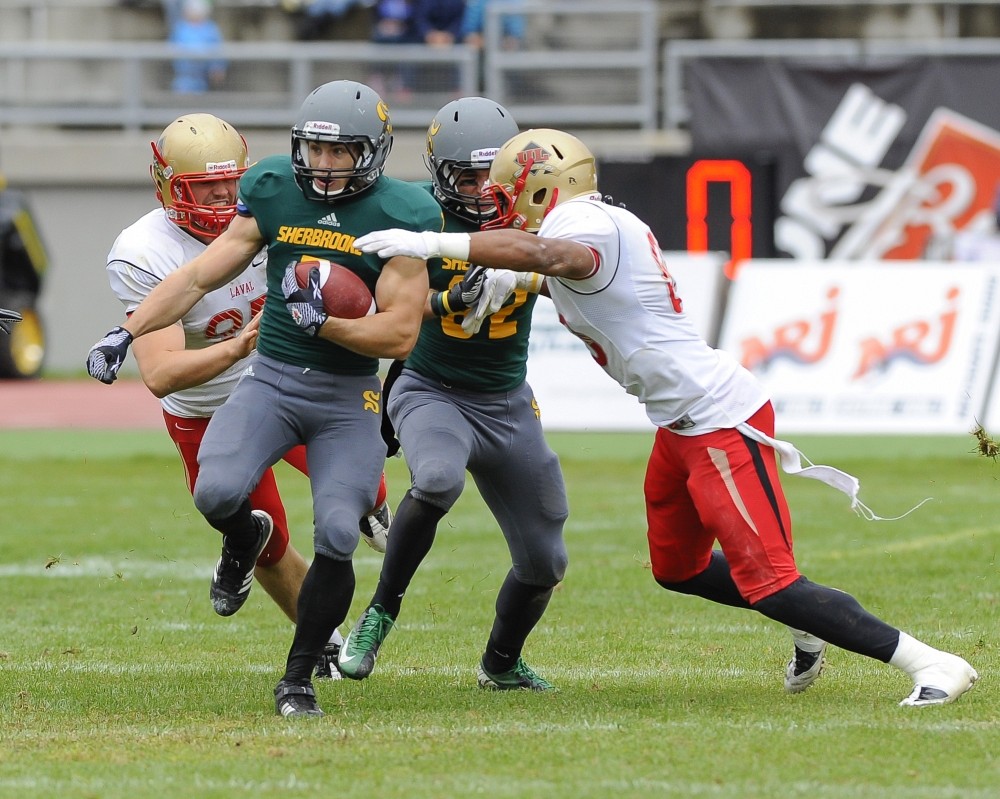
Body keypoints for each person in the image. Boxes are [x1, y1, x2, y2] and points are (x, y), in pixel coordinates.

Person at [355, 128, 980, 707]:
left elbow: (548, 254)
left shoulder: (583, 223)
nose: (498, 206)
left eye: (507, 192)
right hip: (679, 426)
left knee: (772, 581)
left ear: (542, 186)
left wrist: (434, 243)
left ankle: (928, 662)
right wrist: (509, 281)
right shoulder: (595, 226)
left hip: (716, 419)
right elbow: (562, 276)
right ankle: (801, 616)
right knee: (676, 567)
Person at [86, 80, 449, 718]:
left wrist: (326, 323)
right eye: (312, 150)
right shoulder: (261, 200)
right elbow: (186, 312)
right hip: (250, 387)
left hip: (338, 388)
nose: (323, 167)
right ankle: (269, 566)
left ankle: (302, 671)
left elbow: (399, 332)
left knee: (344, 523)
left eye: (340, 154)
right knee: (237, 510)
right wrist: (131, 330)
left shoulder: (401, 212)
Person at [337, 97, 569, 691]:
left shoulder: (542, 214)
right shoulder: (418, 216)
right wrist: (448, 301)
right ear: (440, 172)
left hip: (508, 399)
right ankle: (379, 613)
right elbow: (386, 308)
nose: (480, 187)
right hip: (431, 387)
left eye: (492, 174)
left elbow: (586, 271)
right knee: (438, 478)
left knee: (546, 562)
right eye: (467, 174)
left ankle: (501, 662)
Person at [169, 0, 226, 94]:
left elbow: (218, 50)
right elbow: (171, 48)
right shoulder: (180, 28)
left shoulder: (210, 29)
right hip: (183, 75)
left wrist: (217, 67)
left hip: (203, 76)